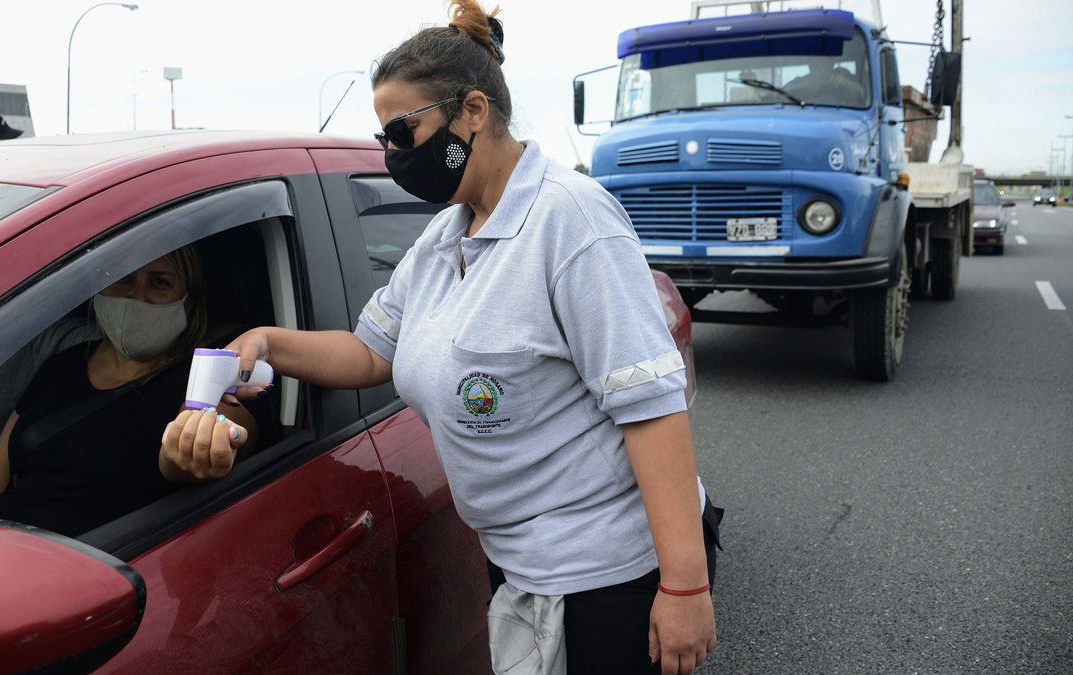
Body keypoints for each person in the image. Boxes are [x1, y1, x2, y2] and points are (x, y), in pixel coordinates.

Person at [162, 2, 719, 673]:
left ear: (472, 111)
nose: (394, 155)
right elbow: (372, 351)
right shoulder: (445, 236)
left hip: (611, 574)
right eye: (385, 138)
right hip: (521, 562)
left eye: (404, 131)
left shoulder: (571, 222)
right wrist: (268, 342)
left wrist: (685, 587)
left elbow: (650, 409)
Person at [0, 245, 258, 538]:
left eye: (159, 282)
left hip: (86, 571)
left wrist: (204, 445)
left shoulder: (203, 378)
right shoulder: (62, 365)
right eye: (123, 278)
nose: (136, 296)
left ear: (188, 303)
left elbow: (216, 438)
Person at [782, 59, 865, 107]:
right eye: (813, 61)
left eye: (821, 61)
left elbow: (863, 94)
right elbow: (781, 93)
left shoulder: (842, 75)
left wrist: (846, 83)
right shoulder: (800, 81)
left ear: (831, 63)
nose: (817, 64)